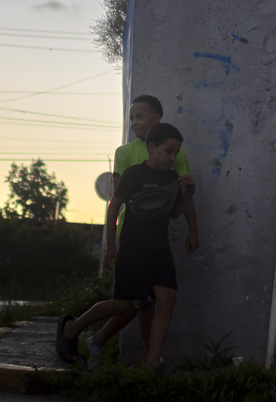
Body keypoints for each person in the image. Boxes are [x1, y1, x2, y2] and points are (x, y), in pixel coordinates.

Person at [57, 122, 194, 371]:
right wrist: (111, 246)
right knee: (125, 305)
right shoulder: (134, 174)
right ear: (152, 148)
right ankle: (73, 327)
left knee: (167, 298)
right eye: (169, 151)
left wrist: (188, 193)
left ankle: (153, 365)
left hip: (159, 250)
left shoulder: (172, 177)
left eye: (176, 153)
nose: (173, 157)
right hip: (132, 249)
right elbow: (113, 208)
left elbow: (172, 213)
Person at [103, 95, 200, 353]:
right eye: (131, 117)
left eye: (140, 116)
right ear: (152, 148)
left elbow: (181, 195)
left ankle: (152, 360)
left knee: (161, 298)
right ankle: (96, 338)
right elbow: (116, 200)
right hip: (132, 235)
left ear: (157, 118)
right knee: (134, 303)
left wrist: (193, 229)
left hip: (158, 236)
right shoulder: (125, 154)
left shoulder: (173, 153)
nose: (134, 122)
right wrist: (111, 243)